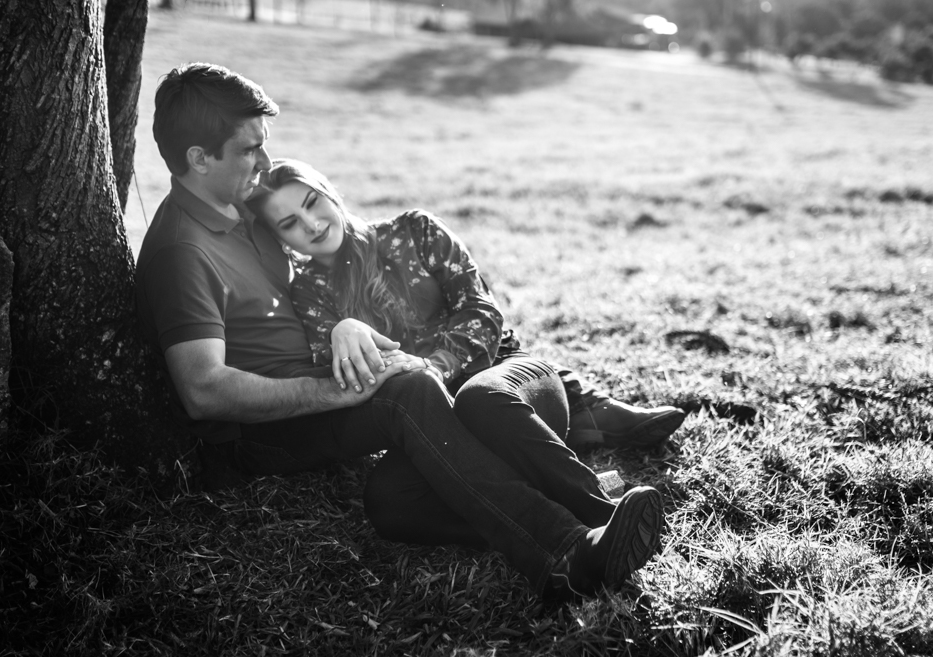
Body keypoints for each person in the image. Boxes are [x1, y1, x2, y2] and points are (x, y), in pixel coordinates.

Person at [134, 63, 664, 599]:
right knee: (402, 435)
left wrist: (354, 344)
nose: (265, 162)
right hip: (275, 426)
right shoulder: (182, 250)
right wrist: (332, 386)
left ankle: (586, 529)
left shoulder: (246, 210)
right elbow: (203, 391)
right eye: (250, 149)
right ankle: (569, 546)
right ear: (199, 159)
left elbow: (478, 310)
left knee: (419, 444)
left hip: (400, 382)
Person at [245, 158, 639, 549]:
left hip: (507, 384)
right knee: (390, 503)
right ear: (280, 239)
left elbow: (481, 311)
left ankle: (602, 513)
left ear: (330, 193)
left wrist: (434, 366)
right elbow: (349, 378)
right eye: (290, 223)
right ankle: (555, 505)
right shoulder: (308, 293)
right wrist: (343, 329)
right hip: (438, 425)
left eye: (312, 203)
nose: (311, 224)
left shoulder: (415, 229)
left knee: (481, 398)